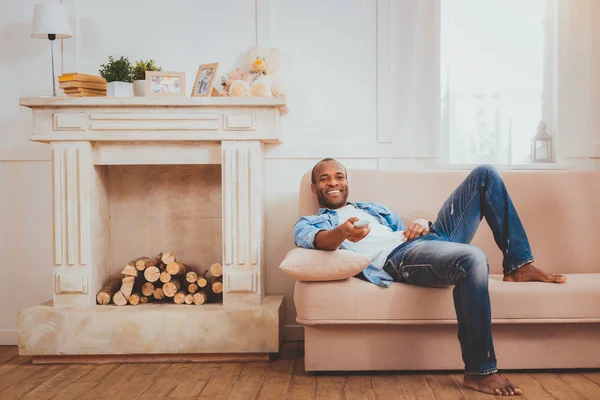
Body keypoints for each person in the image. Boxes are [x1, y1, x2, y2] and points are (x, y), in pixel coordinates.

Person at [293, 158, 566, 397]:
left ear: (347, 182)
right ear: (314, 187)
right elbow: (320, 242)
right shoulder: (312, 222)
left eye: (339, 176)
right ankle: (479, 370)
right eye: (324, 178)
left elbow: (405, 234)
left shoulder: (372, 209)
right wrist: (342, 232)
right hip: (399, 259)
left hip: (426, 241)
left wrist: (423, 223)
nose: (333, 183)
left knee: (485, 174)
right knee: (472, 258)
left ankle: (518, 265)